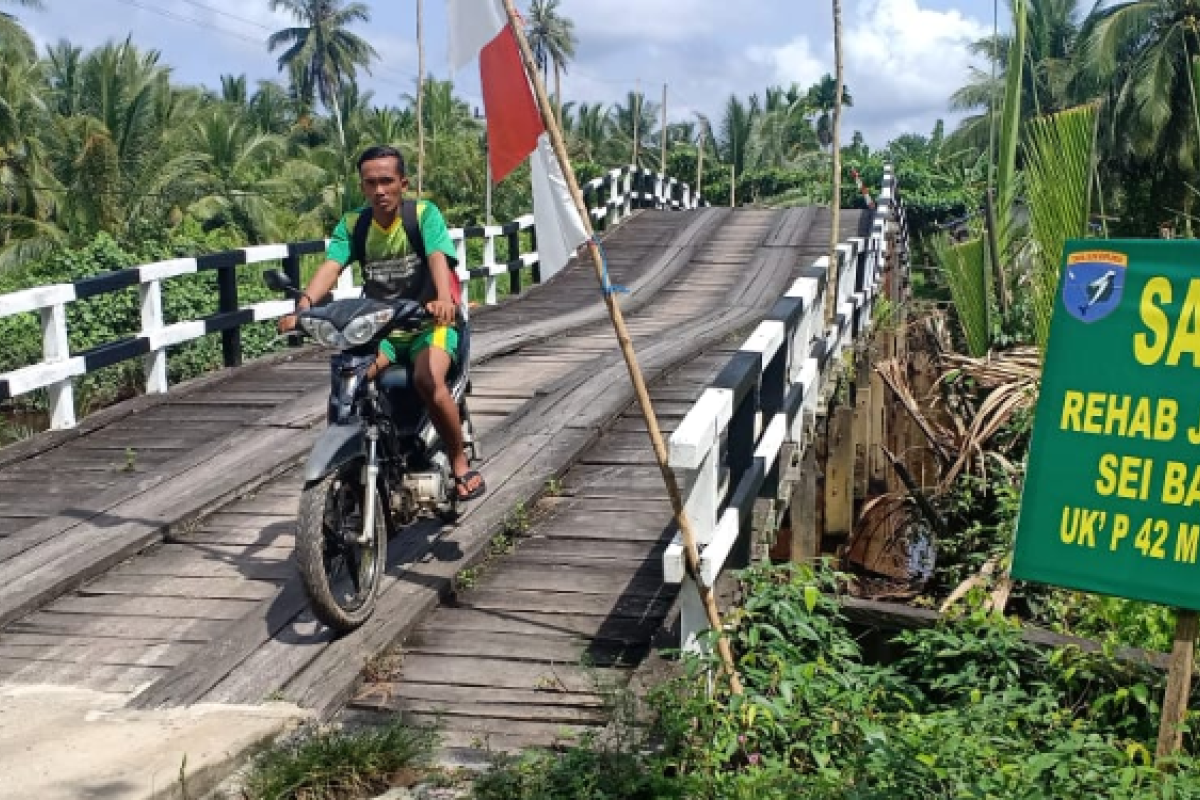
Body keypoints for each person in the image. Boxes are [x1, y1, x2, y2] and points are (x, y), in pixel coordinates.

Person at [280, 145, 485, 502]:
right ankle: (356, 462)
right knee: (350, 381)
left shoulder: (423, 215)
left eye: (387, 181)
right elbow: (331, 266)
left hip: (428, 324)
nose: (379, 190)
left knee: (427, 377)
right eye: (371, 182)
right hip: (382, 329)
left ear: (402, 183)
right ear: (362, 186)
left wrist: (443, 300)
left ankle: (459, 462)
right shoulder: (354, 224)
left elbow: (438, 257)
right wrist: (303, 307)